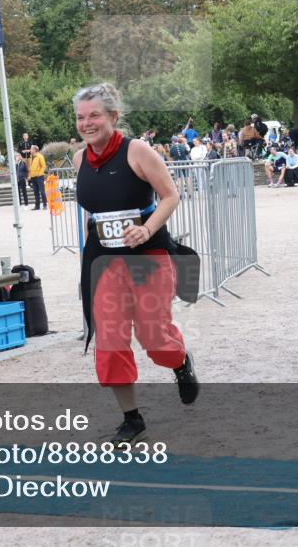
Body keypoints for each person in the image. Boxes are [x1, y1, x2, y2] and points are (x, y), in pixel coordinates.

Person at [72, 82, 198, 446]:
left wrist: (147, 230)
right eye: (81, 117)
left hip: (146, 255)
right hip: (104, 260)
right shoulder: (80, 159)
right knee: (109, 340)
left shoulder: (137, 151)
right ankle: (132, 418)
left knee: (154, 336)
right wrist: (89, 253)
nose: (87, 123)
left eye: (94, 115)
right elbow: (91, 214)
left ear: (113, 116)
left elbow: (170, 196)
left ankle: (179, 361)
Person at [28, 144, 48, 210]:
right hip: (33, 177)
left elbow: (43, 166)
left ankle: (45, 205)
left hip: (39, 177)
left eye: (31, 149)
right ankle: (37, 206)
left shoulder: (40, 156)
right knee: (36, 192)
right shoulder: (31, 157)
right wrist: (30, 176)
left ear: (34, 150)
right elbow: (31, 168)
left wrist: (40, 174)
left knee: (42, 191)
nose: (30, 150)